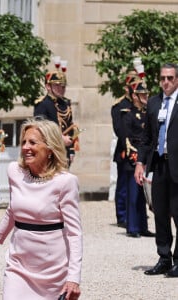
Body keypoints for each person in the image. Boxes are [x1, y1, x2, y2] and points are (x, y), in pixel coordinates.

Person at [0, 117, 83, 300]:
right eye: (23, 142)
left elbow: (74, 233)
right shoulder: (14, 171)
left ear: (50, 148)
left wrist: (74, 278)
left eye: (32, 142)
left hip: (52, 270)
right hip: (18, 265)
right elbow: (12, 212)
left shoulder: (66, 182)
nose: (25, 147)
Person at [134, 63, 178, 277]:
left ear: (177, 79)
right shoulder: (153, 103)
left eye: (170, 78)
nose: (166, 82)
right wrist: (140, 163)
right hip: (159, 165)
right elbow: (147, 138)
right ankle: (164, 257)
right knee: (160, 214)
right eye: (163, 78)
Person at [120, 78, 154, 238]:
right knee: (133, 194)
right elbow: (126, 138)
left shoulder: (147, 114)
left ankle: (142, 226)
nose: (146, 97)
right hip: (133, 158)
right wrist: (137, 157)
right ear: (135, 96)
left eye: (146, 94)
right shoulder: (128, 115)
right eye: (142, 94)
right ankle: (132, 227)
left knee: (143, 195)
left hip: (144, 157)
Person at [34, 68, 78, 168]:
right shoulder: (42, 104)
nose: (61, 89)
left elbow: (69, 126)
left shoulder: (66, 103)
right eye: (57, 85)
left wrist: (71, 150)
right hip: (49, 151)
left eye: (63, 86)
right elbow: (41, 129)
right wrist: (60, 139)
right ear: (48, 86)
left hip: (64, 151)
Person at [111, 71, 138, 228]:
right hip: (125, 150)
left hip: (138, 150)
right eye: (132, 88)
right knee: (123, 185)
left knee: (136, 185)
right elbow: (119, 130)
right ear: (126, 88)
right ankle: (122, 216)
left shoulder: (140, 104)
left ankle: (134, 214)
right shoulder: (119, 106)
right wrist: (131, 145)